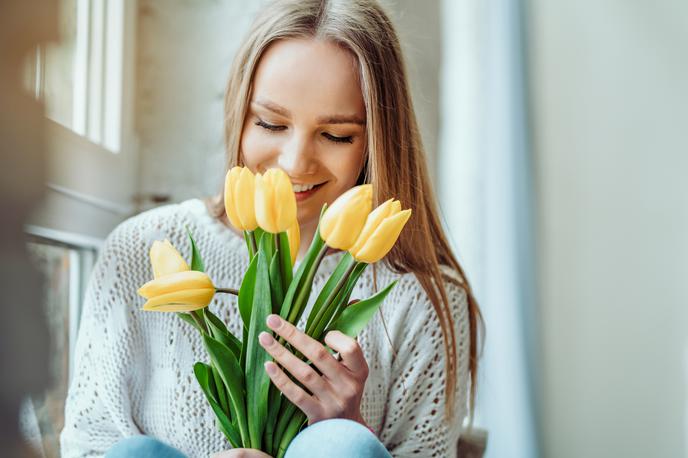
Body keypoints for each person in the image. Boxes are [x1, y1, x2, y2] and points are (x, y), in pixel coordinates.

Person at [60, 0, 483, 457]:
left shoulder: (419, 296)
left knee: (345, 447)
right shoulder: (142, 249)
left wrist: (350, 427)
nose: (294, 162)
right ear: (239, 115)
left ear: (377, 140)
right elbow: (89, 441)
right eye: (271, 123)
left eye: (337, 134)